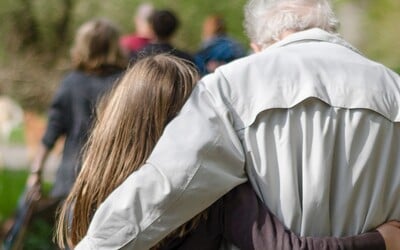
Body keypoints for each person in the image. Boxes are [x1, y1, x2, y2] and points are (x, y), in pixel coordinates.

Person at [75, 0, 400, 249]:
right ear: (331, 29)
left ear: (257, 47)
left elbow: (164, 187)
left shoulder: (228, 88)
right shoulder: (394, 89)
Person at [28, 18, 127, 210]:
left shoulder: (71, 83)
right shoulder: (127, 82)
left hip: (73, 178)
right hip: (115, 178)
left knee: (72, 238)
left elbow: (52, 131)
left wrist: (36, 171)